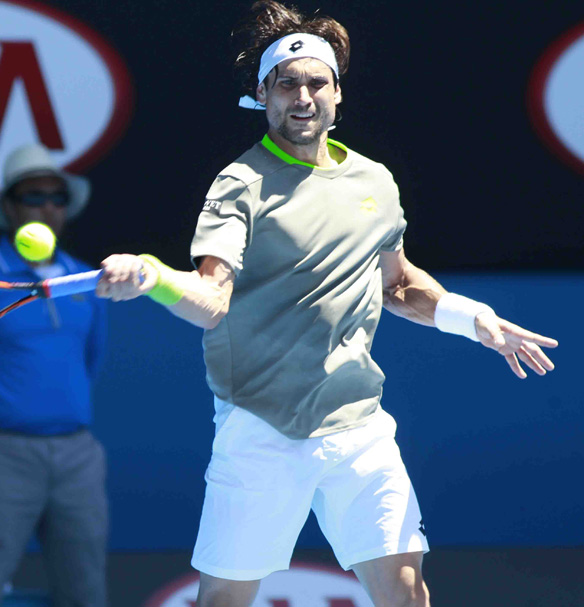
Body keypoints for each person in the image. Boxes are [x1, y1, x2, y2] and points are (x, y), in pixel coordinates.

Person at [94, 2, 558, 606]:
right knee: (224, 599)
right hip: (260, 427)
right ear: (263, 95)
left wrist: (471, 319)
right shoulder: (238, 186)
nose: (303, 97)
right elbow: (211, 301)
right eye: (287, 84)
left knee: (407, 592)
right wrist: (153, 276)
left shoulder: (374, 182)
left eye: (317, 82)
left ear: (337, 94)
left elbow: (396, 285)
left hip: (359, 426)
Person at [0, 143, 109, 607]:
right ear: (9, 207)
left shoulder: (85, 279)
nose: (47, 208)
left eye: (57, 197)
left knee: (85, 590)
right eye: (33, 197)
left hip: (78, 456)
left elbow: (90, 360)